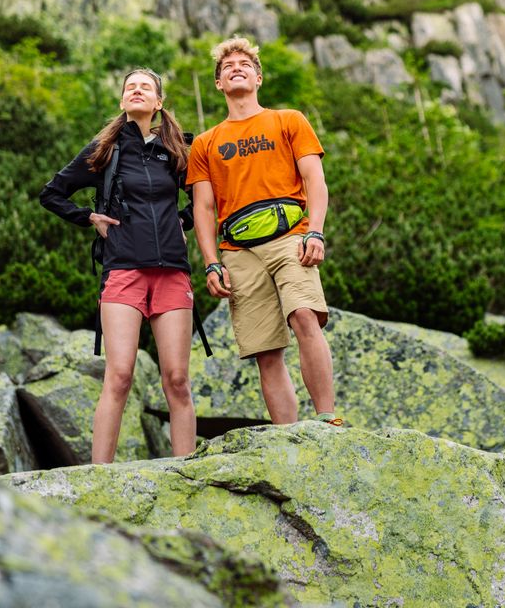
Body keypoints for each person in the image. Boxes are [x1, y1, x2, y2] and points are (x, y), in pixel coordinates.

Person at [39, 68, 197, 463]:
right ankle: (99, 475)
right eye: (131, 87)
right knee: (120, 375)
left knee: (177, 381)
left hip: (172, 273)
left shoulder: (176, 149)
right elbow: (52, 193)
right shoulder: (104, 149)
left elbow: (208, 197)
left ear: (158, 102)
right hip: (123, 270)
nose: (138, 90)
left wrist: (186, 220)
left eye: (146, 87)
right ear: (123, 101)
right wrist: (88, 217)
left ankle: (187, 472)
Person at [187, 37, 342, 426]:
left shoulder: (289, 120)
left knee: (305, 316)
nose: (235, 68)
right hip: (238, 251)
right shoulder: (205, 144)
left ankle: (327, 418)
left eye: (244, 64)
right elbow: (203, 209)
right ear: (219, 84)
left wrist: (316, 232)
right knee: (265, 350)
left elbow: (315, 180)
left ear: (258, 77)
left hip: (292, 236)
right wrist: (210, 264)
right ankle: (286, 436)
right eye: (227, 67)